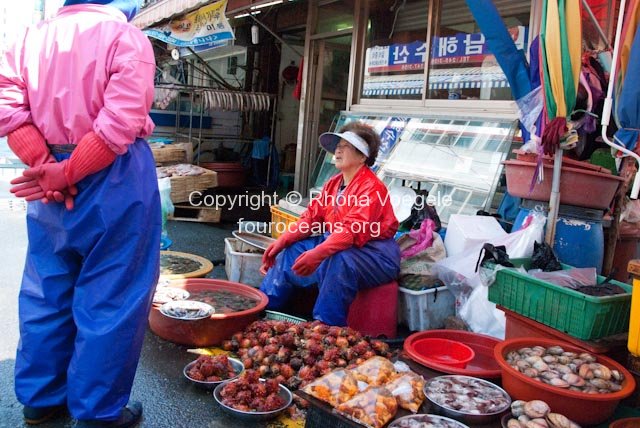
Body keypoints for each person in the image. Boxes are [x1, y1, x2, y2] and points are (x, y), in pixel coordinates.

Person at [0, 1, 160, 426]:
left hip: (46, 174)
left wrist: (45, 164)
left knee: (47, 289)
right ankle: (98, 413)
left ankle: (40, 400)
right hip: (114, 175)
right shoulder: (126, 38)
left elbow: (7, 104)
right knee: (113, 295)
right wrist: (68, 171)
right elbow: (121, 120)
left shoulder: (29, 39)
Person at [260, 122, 401, 326]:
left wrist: (318, 253)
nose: (338, 149)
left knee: (339, 259)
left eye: (345, 146)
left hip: (375, 256)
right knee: (292, 250)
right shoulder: (333, 184)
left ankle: (326, 327)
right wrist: (282, 241)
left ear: (362, 156)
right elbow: (311, 217)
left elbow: (351, 232)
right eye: (338, 145)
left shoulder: (372, 188)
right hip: (338, 243)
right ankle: (267, 308)